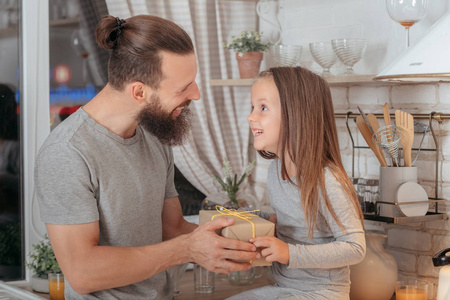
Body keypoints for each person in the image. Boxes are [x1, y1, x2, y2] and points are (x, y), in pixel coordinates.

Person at [35, 15, 258, 299]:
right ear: (139, 91)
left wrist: (245, 238)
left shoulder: (154, 136)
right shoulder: (68, 152)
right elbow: (82, 273)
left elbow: (172, 227)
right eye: (183, 87)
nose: (197, 94)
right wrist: (187, 250)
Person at [229, 67, 366, 300]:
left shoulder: (326, 179)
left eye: (263, 108)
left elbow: (355, 248)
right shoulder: (276, 170)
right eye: (253, 107)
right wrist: (246, 218)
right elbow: (289, 219)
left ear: (296, 114)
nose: (251, 117)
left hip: (321, 294)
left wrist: (288, 252)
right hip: (283, 288)